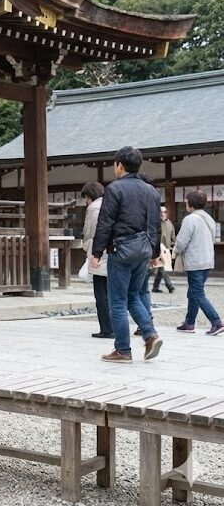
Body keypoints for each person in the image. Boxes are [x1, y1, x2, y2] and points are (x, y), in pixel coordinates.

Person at [91, 146, 163, 363]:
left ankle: (123, 350)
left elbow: (106, 222)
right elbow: (155, 224)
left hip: (121, 249)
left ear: (120, 165)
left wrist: (96, 251)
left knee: (118, 301)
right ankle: (150, 334)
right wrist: (155, 251)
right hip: (143, 249)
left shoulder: (115, 188)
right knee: (133, 296)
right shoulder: (151, 191)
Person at [173, 190, 224, 336]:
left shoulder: (190, 219)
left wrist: (175, 250)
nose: (185, 203)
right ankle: (189, 323)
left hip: (195, 261)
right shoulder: (209, 219)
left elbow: (182, 241)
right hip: (207, 260)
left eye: (187, 201)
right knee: (193, 292)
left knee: (197, 293)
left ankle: (216, 322)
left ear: (191, 204)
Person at [81, 182, 112, 338]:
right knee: (113, 293)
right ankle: (114, 325)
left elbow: (89, 233)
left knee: (101, 293)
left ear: (89, 196)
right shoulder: (111, 203)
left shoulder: (93, 208)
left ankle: (106, 328)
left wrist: (87, 249)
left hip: (99, 254)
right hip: (114, 252)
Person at [151, 206, 176, 293]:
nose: (163, 213)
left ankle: (155, 287)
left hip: (166, 249)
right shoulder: (155, 223)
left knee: (161, 268)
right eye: (161, 212)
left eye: (165, 211)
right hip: (157, 249)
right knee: (155, 269)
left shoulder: (170, 224)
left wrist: (173, 245)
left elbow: (173, 237)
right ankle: (170, 286)